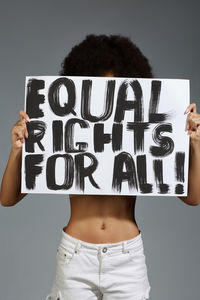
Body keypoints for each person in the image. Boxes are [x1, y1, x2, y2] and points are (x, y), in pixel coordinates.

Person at [1, 34, 200, 300]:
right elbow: (7, 198)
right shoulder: (64, 129)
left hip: (127, 260)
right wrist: (17, 150)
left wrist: (195, 144)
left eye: (116, 91)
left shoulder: (143, 130)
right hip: (75, 256)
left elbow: (192, 197)